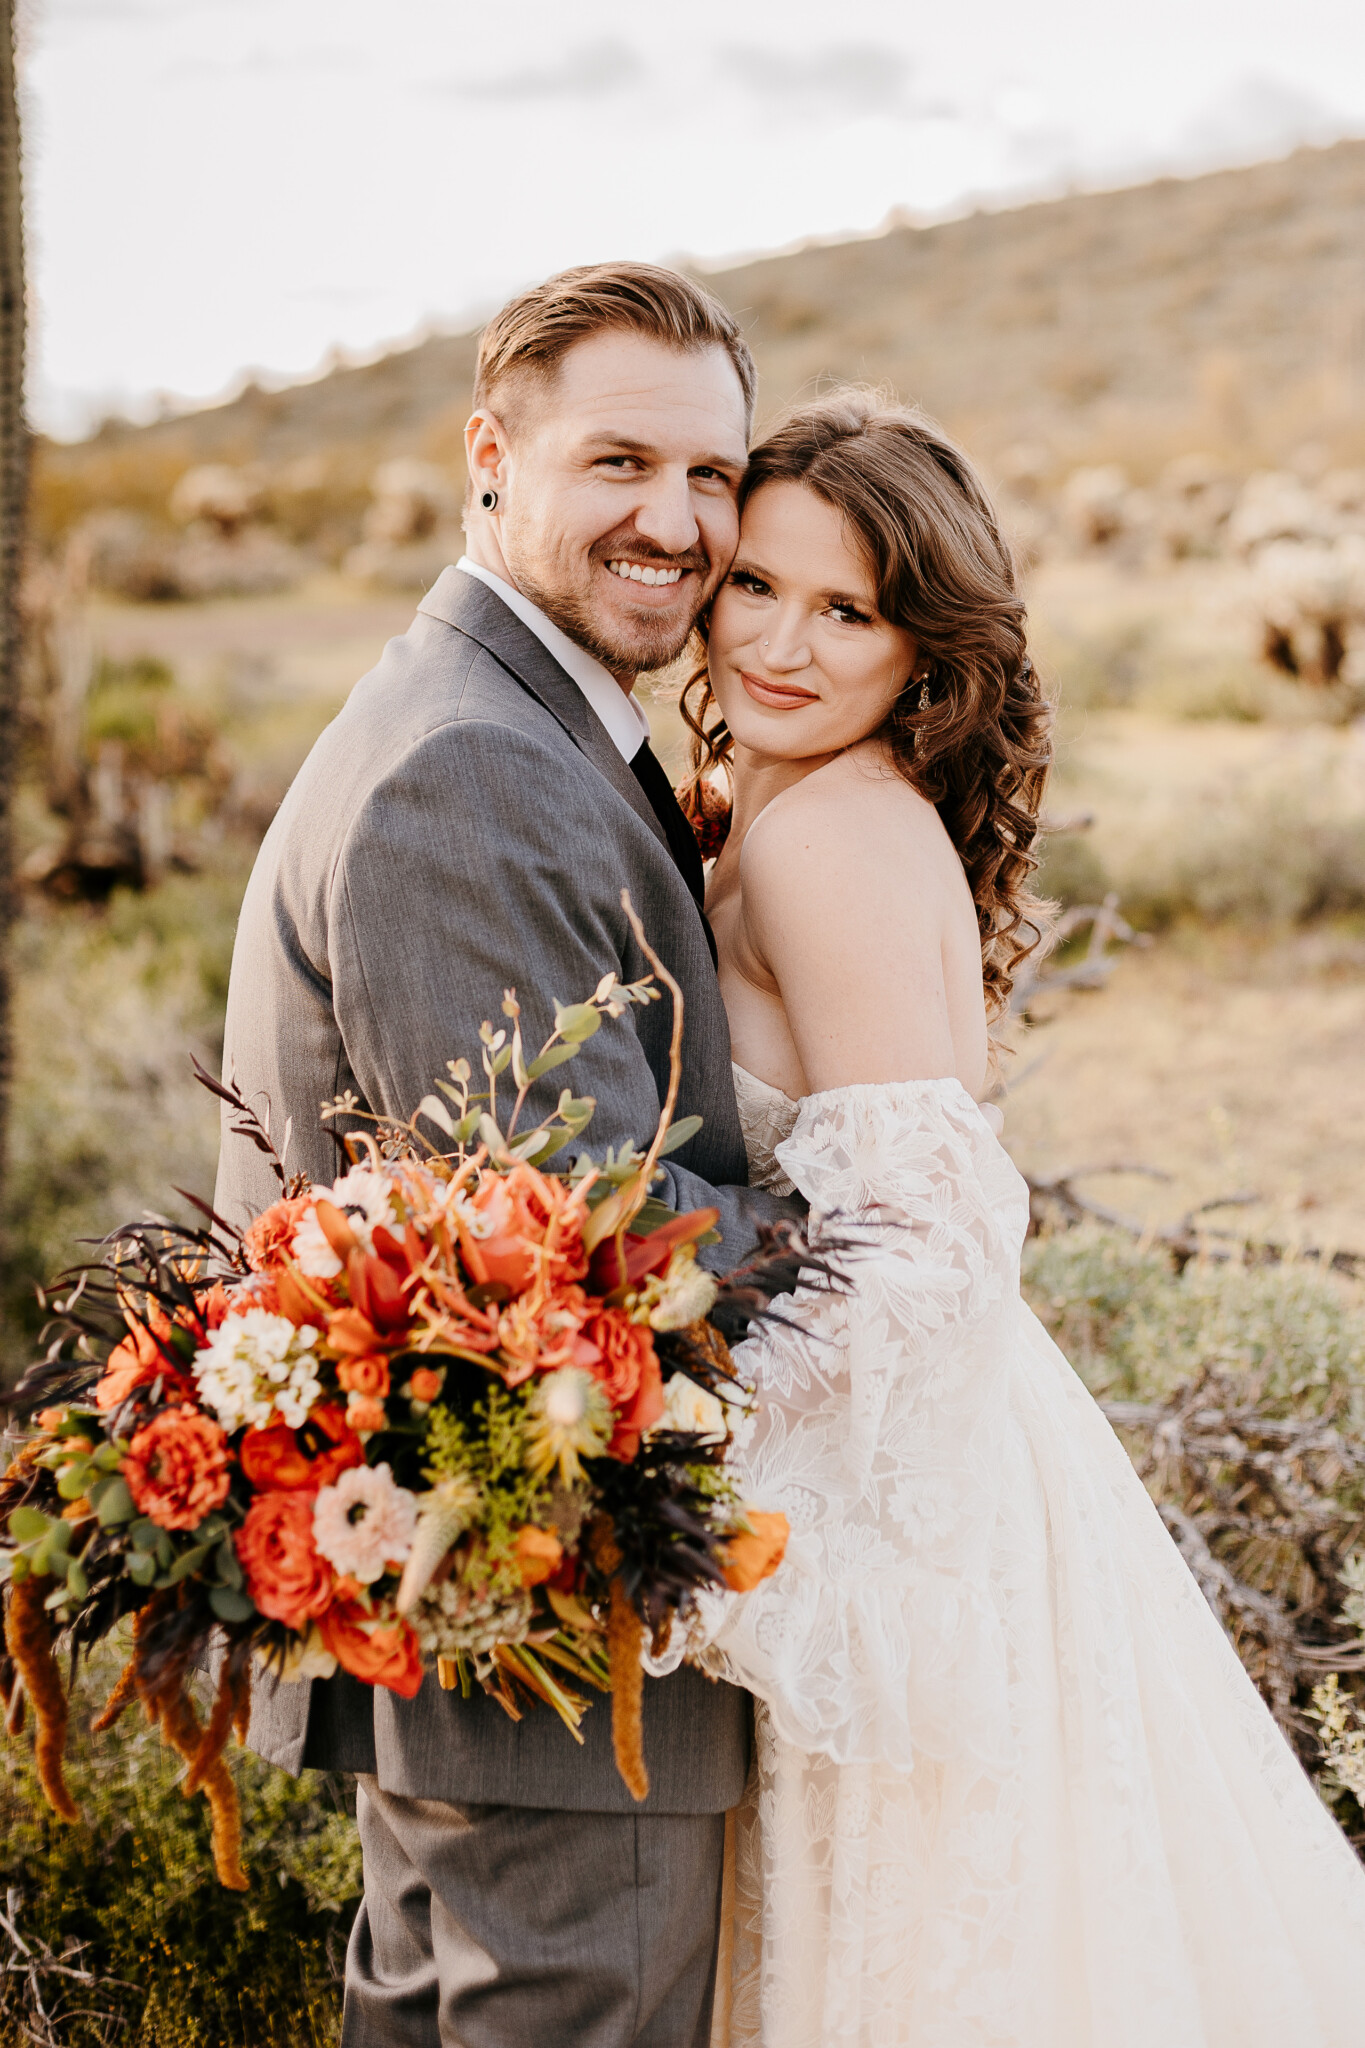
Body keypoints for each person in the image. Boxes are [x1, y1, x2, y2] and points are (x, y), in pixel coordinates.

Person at [682, 391, 1365, 2047]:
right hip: (937, 1461)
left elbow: (933, 1238)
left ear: (926, 651)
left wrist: (679, 1417)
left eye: (847, 611)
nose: (782, 640)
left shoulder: (825, 839)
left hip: (892, 1512)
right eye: (755, 585)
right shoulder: (799, 808)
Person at [213, 262, 799, 2048]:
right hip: (541, 1649)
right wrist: (875, 1187)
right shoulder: (462, 771)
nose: (677, 522)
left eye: (712, 478)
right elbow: (583, 1248)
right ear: (491, 453)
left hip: (492, 1642)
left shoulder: (514, 723)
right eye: (619, 462)